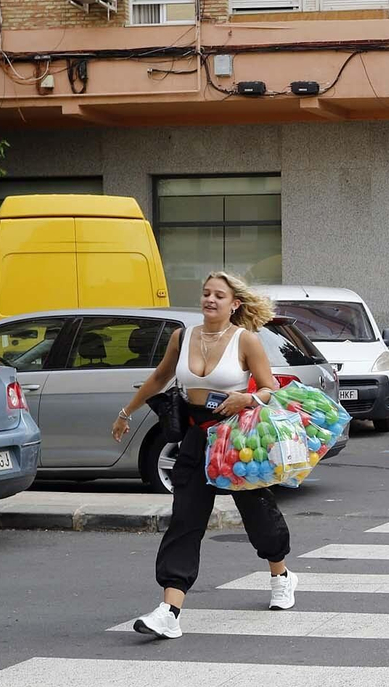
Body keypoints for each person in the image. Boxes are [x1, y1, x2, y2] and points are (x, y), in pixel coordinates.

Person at [113, 272, 298, 640]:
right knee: (185, 520)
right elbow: (159, 378)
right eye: (205, 293)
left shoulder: (246, 340)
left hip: (236, 437)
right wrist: (126, 412)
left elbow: (270, 389)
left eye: (219, 295)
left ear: (235, 304)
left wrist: (247, 398)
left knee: (257, 512)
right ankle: (169, 610)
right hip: (196, 437)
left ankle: (281, 574)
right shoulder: (183, 337)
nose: (210, 300)